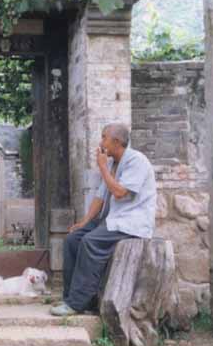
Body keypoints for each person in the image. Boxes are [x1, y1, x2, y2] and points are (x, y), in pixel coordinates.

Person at [50, 123, 156, 317]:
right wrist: (84, 221)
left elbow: (120, 193)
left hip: (131, 223)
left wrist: (102, 168)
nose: (100, 142)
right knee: (73, 239)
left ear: (116, 142)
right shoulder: (112, 163)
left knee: (90, 242)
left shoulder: (137, 161)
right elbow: (100, 197)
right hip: (112, 221)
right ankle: (73, 298)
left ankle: (76, 304)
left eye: (104, 137)